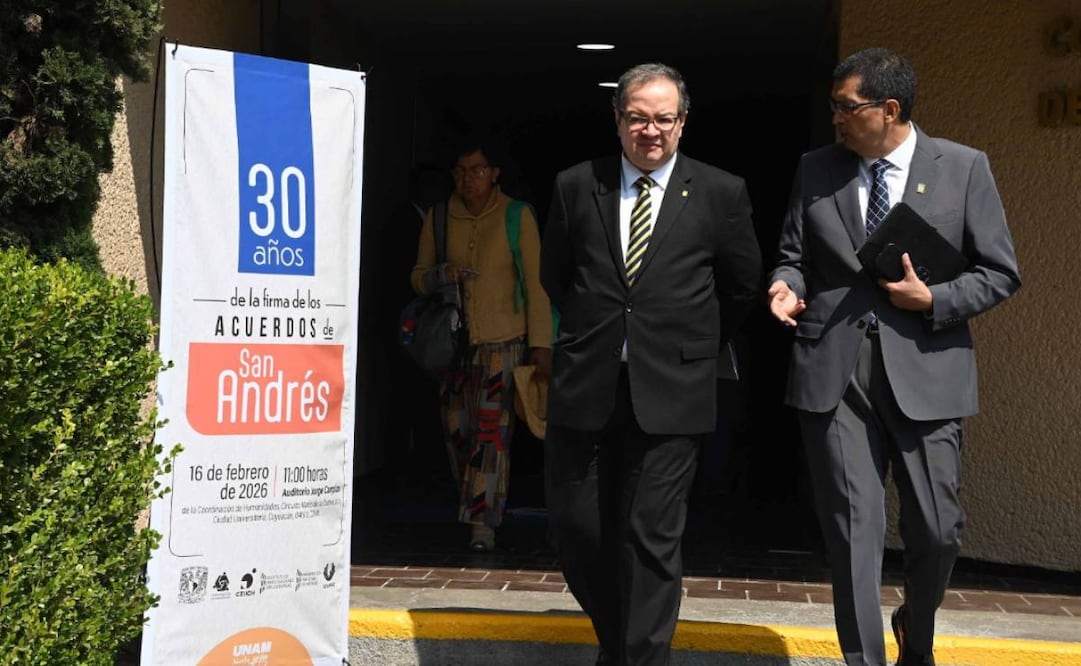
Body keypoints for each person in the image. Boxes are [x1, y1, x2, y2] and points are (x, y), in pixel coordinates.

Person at [767, 48, 1020, 666]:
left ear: (889, 109)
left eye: (845, 108)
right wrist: (786, 287)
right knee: (854, 532)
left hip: (927, 371)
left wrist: (932, 296)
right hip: (836, 374)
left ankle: (916, 629)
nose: (835, 120)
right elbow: (794, 256)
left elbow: (1000, 272)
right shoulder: (816, 168)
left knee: (938, 530)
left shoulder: (962, 167)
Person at [541, 63, 762, 665]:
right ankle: (621, 647)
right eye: (637, 117)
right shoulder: (574, 185)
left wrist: (682, 342)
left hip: (674, 391)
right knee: (577, 530)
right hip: (587, 385)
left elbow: (741, 288)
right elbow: (557, 278)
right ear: (617, 121)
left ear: (683, 123)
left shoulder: (720, 192)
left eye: (664, 119)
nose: (651, 130)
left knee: (650, 537)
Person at [410, 138, 552, 551]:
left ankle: (482, 524)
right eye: (460, 171)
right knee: (457, 431)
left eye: (476, 170)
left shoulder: (516, 216)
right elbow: (417, 276)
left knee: (490, 436)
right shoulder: (439, 217)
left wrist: (541, 345)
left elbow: (537, 284)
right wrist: (441, 274)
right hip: (452, 347)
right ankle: (475, 502)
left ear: (494, 174)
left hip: (502, 345)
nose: (467, 179)